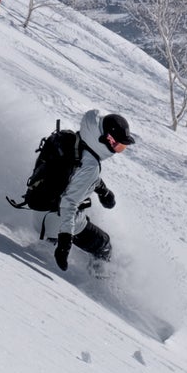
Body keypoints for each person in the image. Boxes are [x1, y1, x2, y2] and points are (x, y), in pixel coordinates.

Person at [43, 110, 135, 272]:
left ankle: (50, 242)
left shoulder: (78, 140)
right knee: (104, 244)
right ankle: (97, 284)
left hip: (43, 206)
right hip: (55, 219)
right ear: (107, 139)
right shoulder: (91, 165)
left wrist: (103, 190)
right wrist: (64, 243)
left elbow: (78, 174)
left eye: (122, 147)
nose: (118, 150)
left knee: (86, 217)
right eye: (118, 146)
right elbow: (68, 204)